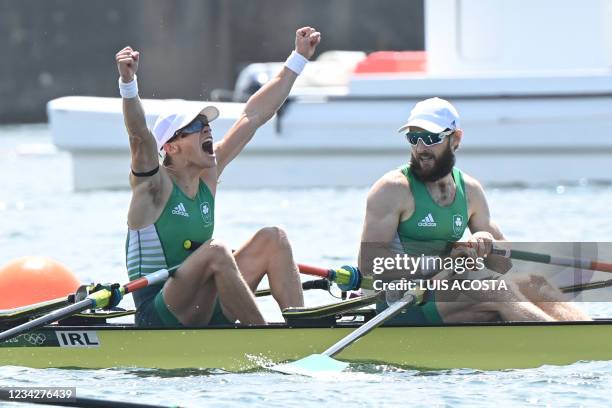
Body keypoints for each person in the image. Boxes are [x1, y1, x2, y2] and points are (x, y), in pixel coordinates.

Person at [116, 27, 321, 327]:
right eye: (196, 126)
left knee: (274, 239)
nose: (207, 129)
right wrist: (128, 83)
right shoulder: (153, 187)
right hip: (160, 313)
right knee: (216, 252)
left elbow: (254, 115)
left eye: (206, 123)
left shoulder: (207, 175)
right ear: (170, 147)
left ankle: (303, 333)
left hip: (203, 303)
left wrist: (298, 59)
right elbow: (138, 135)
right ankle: (265, 340)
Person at [358, 97, 590, 324]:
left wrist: (486, 242)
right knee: (495, 290)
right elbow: (369, 265)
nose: (420, 148)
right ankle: (561, 351)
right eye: (413, 138)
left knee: (535, 283)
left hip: (443, 291)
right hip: (400, 301)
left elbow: (505, 265)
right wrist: (443, 262)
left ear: (455, 139)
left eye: (430, 138)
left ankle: (593, 342)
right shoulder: (393, 189)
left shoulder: (470, 191)